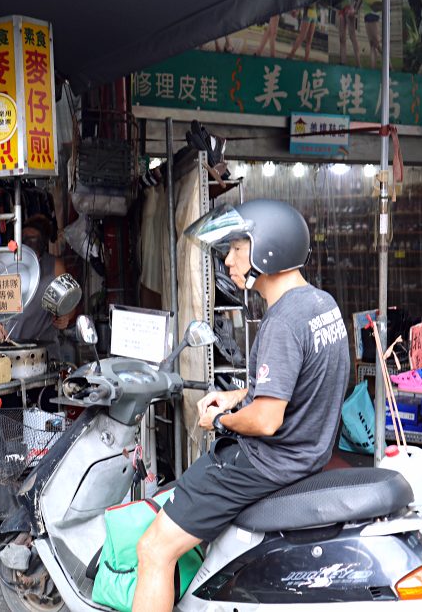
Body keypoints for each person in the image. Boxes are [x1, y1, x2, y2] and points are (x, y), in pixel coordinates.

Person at [132, 200, 350, 612]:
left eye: (236, 247)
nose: (229, 260)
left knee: (154, 549)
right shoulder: (321, 304)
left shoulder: (282, 322)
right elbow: (301, 386)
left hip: (266, 462)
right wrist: (238, 396)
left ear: (269, 248)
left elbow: (267, 420)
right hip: (307, 455)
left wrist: (221, 418)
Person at [0, 214, 74, 359]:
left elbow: (70, 304)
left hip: (42, 354)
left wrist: (65, 318)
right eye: (26, 240)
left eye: (35, 242)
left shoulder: (54, 267)